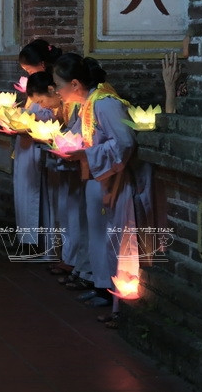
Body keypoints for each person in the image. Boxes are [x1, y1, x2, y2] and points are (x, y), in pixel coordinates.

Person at [53, 54, 144, 327]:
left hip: (114, 179)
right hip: (99, 174)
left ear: (76, 83)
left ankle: (113, 296)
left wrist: (86, 153)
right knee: (99, 234)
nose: (57, 91)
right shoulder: (88, 104)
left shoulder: (104, 103)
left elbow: (125, 142)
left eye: (59, 85)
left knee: (115, 238)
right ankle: (102, 286)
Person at [24, 71, 90, 287]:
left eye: (42, 100)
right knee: (66, 213)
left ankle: (83, 268)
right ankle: (73, 261)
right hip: (70, 164)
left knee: (78, 217)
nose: (43, 106)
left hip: (87, 167)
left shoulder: (90, 103)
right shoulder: (71, 104)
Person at [14, 40, 63, 246]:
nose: (26, 72)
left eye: (28, 68)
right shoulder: (36, 86)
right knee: (26, 192)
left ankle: (44, 244)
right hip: (27, 144)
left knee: (43, 196)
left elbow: (55, 118)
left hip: (41, 145)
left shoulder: (53, 89)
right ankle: (29, 240)